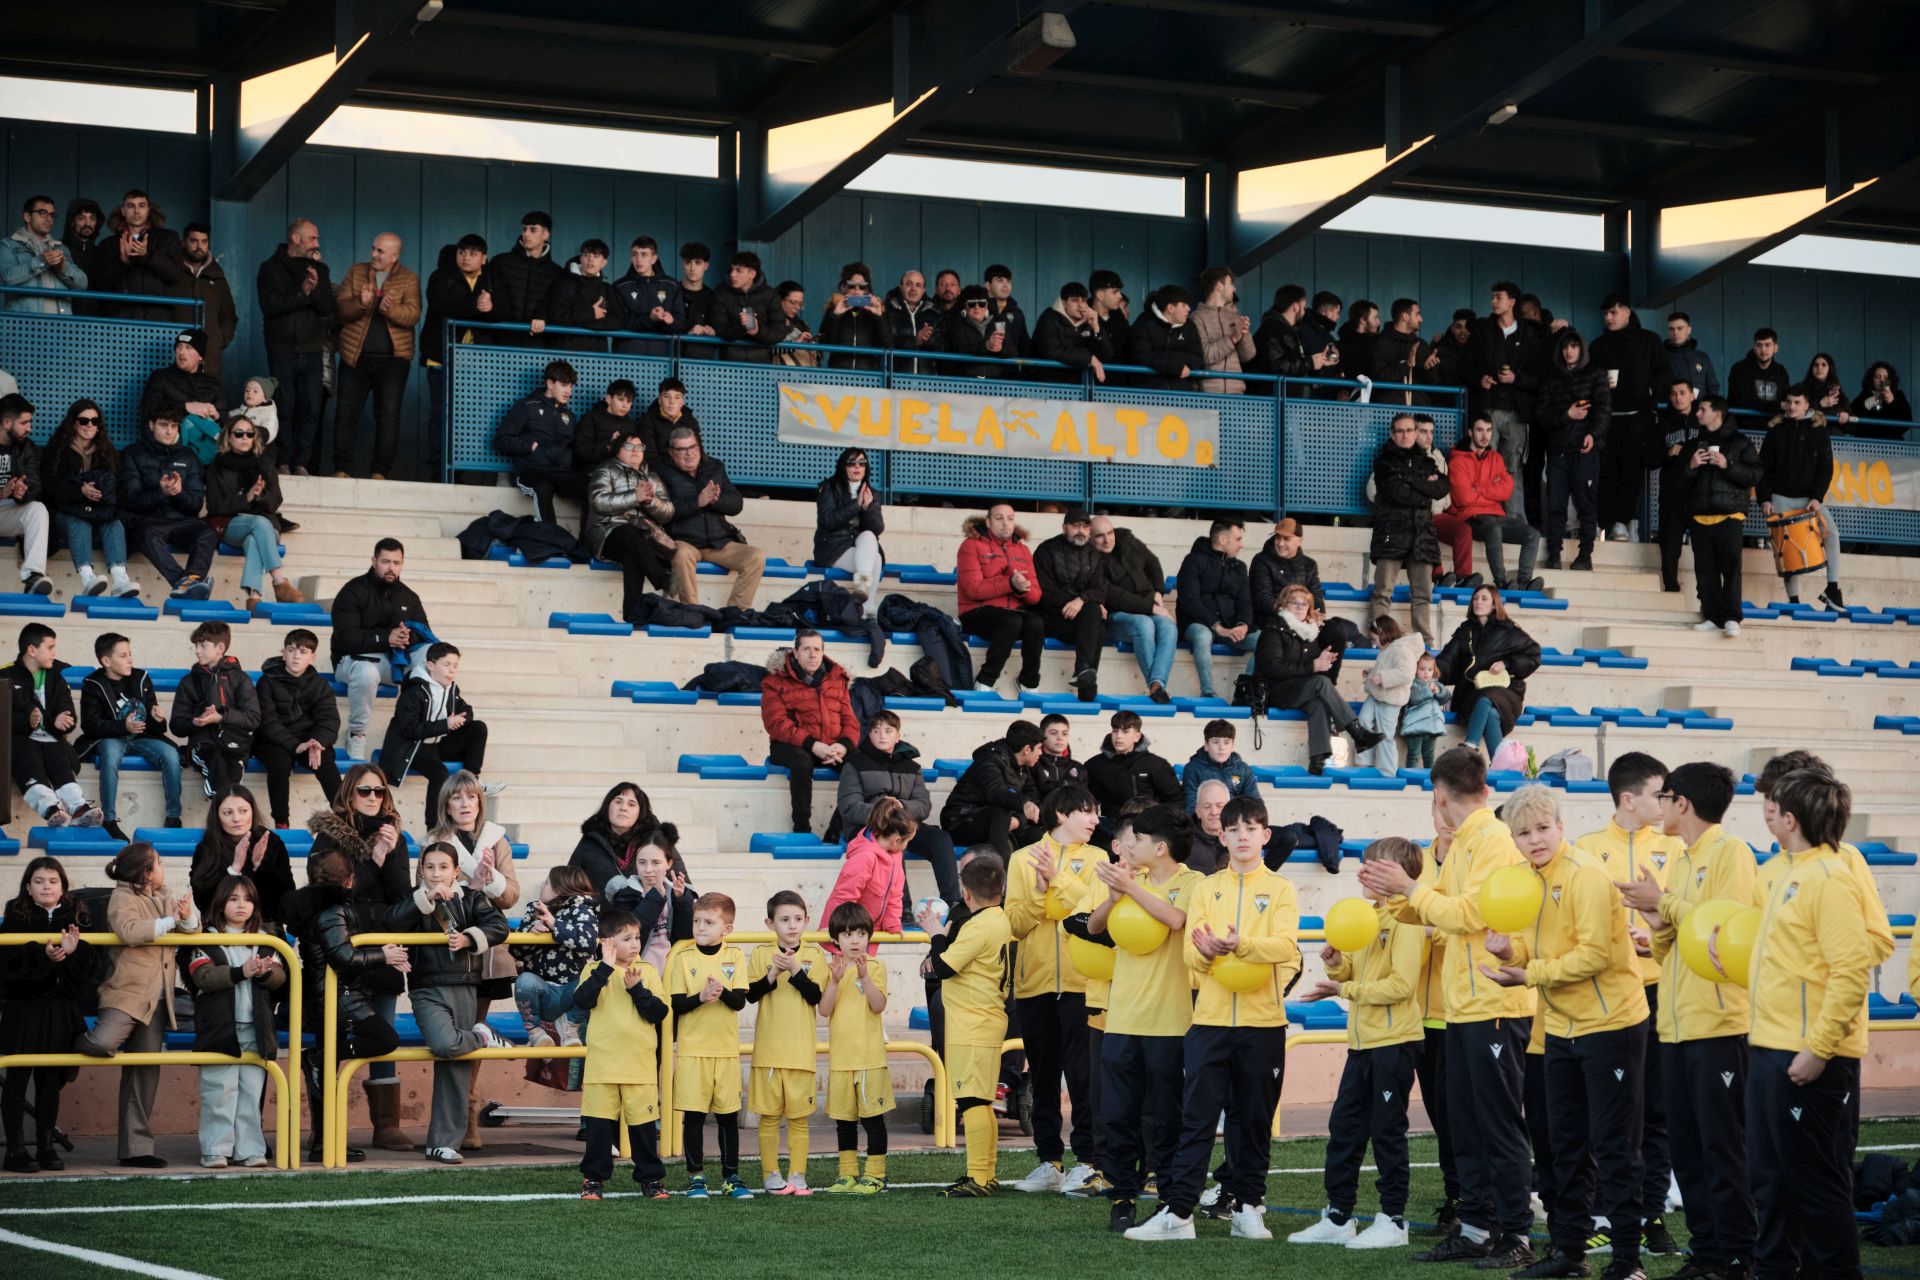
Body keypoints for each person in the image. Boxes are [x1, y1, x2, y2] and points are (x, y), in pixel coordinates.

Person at [1355, 747, 1538, 1269]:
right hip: (1464, 1006)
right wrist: (1394, 898)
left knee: (1497, 1124)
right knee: (1465, 1123)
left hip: (1495, 1003)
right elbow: (1436, 910)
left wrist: (1409, 887)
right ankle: (1477, 1226)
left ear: (1439, 796)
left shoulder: (1492, 841)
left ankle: (1516, 1234)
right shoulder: (1465, 843)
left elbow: (1469, 914)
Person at [1475, 785, 1650, 1280]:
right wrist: (1511, 957)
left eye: (1542, 829)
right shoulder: (1528, 882)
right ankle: (1570, 1255)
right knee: (1563, 1145)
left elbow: (1595, 956)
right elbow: (1540, 953)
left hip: (1612, 1024)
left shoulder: (1586, 877)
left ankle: (1627, 1262)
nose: (1534, 840)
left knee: (1615, 1146)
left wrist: (1527, 974)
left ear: (1560, 826)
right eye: (1523, 833)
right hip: (1560, 1028)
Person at [1126, 795, 1297, 1241]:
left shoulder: (1280, 889)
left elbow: (1287, 947)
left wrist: (1243, 947)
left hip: (1263, 1024)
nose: (1242, 836)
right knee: (1197, 1119)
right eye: (1233, 829)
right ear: (1221, 835)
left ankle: (1249, 1207)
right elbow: (1188, 953)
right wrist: (1205, 954)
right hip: (1210, 1023)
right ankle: (1179, 1213)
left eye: (1250, 828)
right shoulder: (1206, 887)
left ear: (1266, 836)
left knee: (1253, 1121)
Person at [1613, 761, 1756, 1279]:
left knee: (1723, 1147)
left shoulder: (1730, 852)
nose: (1658, 806)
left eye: (1665, 796)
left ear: (1683, 804)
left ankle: (1739, 1254)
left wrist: (1665, 903)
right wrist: (1657, 922)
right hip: (1675, 1025)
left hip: (1718, 1025)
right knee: (1688, 1149)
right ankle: (1708, 1252)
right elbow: (1679, 936)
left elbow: (1729, 926)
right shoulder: (1685, 858)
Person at [1745, 769, 1871, 1280]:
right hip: (1768, 1049)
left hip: (1807, 1059)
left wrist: (1818, 1049)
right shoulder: (1786, 871)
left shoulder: (1829, 879)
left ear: (1791, 818)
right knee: (1772, 1183)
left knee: (1816, 1191)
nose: (1769, 809)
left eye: (1776, 803)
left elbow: (1852, 973)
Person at [1289, 836, 1430, 1249]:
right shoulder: (1369, 917)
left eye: (1373, 866)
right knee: (1344, 1129)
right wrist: (1338, 964)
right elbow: (1360, 973)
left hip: (1395, 1042)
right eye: (1364, 864)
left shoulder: (1408, 921)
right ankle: (1338, 1216)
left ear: (1396, 875)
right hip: (1363, 1042)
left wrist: (1344, 990)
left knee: (1387, 1131)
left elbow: (1401, 986)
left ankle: (1394, 1219)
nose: (1364, 872)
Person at [1573, 751, 1683, 1258]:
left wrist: (1659, 928)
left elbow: (1686, 918)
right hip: (1608, 996)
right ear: (1627, 798)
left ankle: (1652, 1217)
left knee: (1657, 1112)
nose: (1666, 803)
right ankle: (1606, 1216)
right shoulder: (1585, 850)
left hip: (1661, 991)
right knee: (1609, 1113)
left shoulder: (1678, 848)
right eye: (1658, 794)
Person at [1091, 804, 1204, 1232]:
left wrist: (1132, 890)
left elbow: (1177, 920)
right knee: (1117, 1114)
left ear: (1159, 848)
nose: (1128, 846)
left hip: (1170, 1021)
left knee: (1165, 1117)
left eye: (1136, 840)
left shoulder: (1193, 882)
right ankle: (1121, 1197)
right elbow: (1098, 927)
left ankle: (1171, 1203)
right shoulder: (1129, 881)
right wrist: (1115, 894)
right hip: (1121, 1017)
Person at [304, 765, 413, 1150]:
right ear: (349, 794)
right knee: (331, 1035)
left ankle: (386, 1124)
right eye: (364, 791)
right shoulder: (328, 836)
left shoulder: (394, 835)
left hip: (382, 948)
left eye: (379, 791)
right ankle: (324, 1133)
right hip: (341, 951)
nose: (372, 798)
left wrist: (387, 854)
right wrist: (373, 859)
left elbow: (401, 897)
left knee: (381, 1035)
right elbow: (332, 891)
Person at [1004, 783, 1105, 1195]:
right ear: (1062, 814)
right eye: (1088, 811)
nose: (1096, 820)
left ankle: (1087, 1161)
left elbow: (1093, 914)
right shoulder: (1021, 859)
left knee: (1084, 1077)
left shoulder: (1099, 858)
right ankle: (1048, 1160)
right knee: (1043, 1078)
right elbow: (1014, 922)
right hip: (1035, 983)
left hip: (1084, 983)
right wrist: (1043, 895)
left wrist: (1057, 881)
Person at [70, 844, 198, 1167]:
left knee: (144, 1070)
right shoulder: (121, 897)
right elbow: (129, 931)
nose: (163, 866)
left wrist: (186, 915)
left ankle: (136, 1148)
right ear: (145, 870)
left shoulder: (167, 894)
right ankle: (71, 1041)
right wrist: (170, 921)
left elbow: (191, 930)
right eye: (158, 862)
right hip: (125, 994)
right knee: (102, 1042)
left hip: (158, 997)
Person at [384, 841, 511, 1164]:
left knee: (456, 1066)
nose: (436, 873)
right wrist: (426, 899)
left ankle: (442, 1142)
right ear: (421, 870)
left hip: (466, 986)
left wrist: (470, 938)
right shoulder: (414, 899)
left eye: (443, 867)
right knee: (444, 1044)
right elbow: (392, 921)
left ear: (456, 871)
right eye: (430, 867)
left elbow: (499, 926)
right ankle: (483, 1036)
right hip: (427, 987)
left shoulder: (471, 897)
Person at [284, 844, 402, 1162]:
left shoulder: (313, 907)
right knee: (384, 1039)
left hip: (330, 995)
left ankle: (325, 1141)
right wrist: (384, 955)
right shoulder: (332, 910)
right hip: (340, 996)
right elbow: (342, 957)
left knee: (327, 1071)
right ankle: (318, 1060)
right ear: (349, 880)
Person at [1, 856, 104, 1173]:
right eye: (39, 881)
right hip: (24, 1010)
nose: (46, 887)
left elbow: (91, 968)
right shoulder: (14, 915)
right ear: (28, 887)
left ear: (63, 886)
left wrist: (73, 954)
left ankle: (46, 1146)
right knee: (17, 1079)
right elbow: (7, 967)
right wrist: (42, 955)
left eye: (53, 881)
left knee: (50, 1080)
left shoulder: (78, 915)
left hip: (60, 1010)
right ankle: (16, 1150)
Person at [922, 852, 1013, 1197]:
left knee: (973, 1101)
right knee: (982, 1101)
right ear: (1001, 890)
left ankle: (979, 1177)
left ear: (967, 893)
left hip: (971, 1023)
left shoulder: (978, 926)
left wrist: (935, 933)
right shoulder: (1001, 919)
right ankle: (984, 1175)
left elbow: (944, 966)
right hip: (987, 1019)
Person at [188, 875, 287, 1169]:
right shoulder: (205, 937)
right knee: (218, 1092)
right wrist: (240, 971)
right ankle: (215, 1150)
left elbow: (280, 977)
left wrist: (264, 973)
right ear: (220, 904)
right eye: (233, 899)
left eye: (247, 899)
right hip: (220, 1028)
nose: (241, 905)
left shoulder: (267, 939)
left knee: (250, 1093)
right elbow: (202, 976)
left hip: (256, 1029)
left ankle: (250, 1149)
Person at [573, 907, 670, 1201]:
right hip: (602, 1067)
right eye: (627, 938)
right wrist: (605, 968)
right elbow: (581, 1000)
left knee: (643, 1130)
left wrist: (637, 989)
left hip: (639, 1067)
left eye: (637, 937)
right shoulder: (593, 971)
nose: (635, 944)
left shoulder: (648, 972)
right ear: (607, 942)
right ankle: (594, 1180)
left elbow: (660, 1012)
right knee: (599, 1130)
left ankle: (651, 1180)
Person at [742, 890, 827, 1195]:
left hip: (801, 1053)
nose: (792, 925)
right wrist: (773, 973)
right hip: (768, 1052)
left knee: (799, 1119)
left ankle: (798, 1174)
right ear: (770, 922)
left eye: (798, 919)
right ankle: (770, 1175)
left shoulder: (815, 955)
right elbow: (750, 994)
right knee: (769, 1118)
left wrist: (793, 970)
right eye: (784, 919)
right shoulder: (762, 953)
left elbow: (815, 996)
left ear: (807, 920)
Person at [836, 710, 961, 912]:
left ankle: (954, 904)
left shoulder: (911, 767)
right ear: (869, 735)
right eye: (876, 731)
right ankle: (902, 910)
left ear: (898, 736)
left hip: (905, 823)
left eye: (888, 730)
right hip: (868, 827)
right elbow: (849, 807)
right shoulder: (854, 764)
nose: (882, 735)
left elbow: (923, 805)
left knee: (940, 839)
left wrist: (902, 807)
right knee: (891, 840)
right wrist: (884, 811)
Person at [671, 892, 751, 1197]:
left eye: (708, 922)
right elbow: (676, 1004)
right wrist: (701, 998)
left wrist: (723, 991)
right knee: (693, 1116)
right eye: (696, 921)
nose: (700, 927)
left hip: (725, 1051)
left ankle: (731, 1176)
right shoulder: (682, 958)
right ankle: (696, 1177)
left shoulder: (734, 957)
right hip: (692, 1051)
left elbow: (739, 1002)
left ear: (726, 928)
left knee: (728, 1116)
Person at [1255, 584, 1383, 774]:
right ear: (1283, 604)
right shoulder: (1273, 629)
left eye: (1304, 604)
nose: (1299, 607)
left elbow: (1308, 667)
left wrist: (1321, 659)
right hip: (1276, 690)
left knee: (1318, 703)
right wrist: (1312, 665)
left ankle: (1318, 760)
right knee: (1322, 683)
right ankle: (1356, 732)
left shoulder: (1310, 631)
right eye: (1294, 603)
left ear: (1309, 607)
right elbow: (1272, 668)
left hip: (1299, 688)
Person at [330, 539, 432, 759]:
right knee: (366, 672)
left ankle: (416, 732)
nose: (391, 568)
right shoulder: (352, 591)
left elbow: (424, 634)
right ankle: (357, 734)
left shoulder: (409, 597)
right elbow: (346, 638)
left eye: (396, 562)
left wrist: (407, 636)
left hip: (392, 663)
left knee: (432, 659)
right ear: (374, 561)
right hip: (351, 661)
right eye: (386, 561)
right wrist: (388, 638)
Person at [331, 232, 420, 479]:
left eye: (380, 251)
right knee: (346, 415)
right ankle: (341, 469)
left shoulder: (408, 278)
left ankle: (379, 473)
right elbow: (341, 309)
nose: (373, 254)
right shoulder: (355, 272)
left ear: (394, 256)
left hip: (393, 362)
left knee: (388, 418)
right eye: (373, 248)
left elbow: (413, 314)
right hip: (355, 358)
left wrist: (391, 309)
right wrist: (360, 302)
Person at [78, 632, 182, 839]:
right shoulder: (93, 684)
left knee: (171, 754)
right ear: (106, 661)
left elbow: (157, 728)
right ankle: (108, 819)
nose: (130, 660)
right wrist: (122, 726)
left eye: (130, 654)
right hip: (112, 739)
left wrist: (157, 718)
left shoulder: (141, 678)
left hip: (142, 738)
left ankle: (174, 817)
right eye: (123, 655)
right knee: (110, 754)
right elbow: (90, 725)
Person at [819, 900, 892, 1191]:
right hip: (841, 1059)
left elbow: (878, 1005)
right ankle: (847, 1174)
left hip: (869, 1058)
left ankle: (876, 1175)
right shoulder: (832, 969)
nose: (855, 940)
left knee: (873, 1119)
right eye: (848, 934)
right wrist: (835, 981)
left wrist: (864, 978)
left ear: (868, 936)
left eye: (861, 934)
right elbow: (824, 1010)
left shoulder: (875, 967)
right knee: (844, 1122)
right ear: (836, 939)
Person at [758, 630, 856, 837]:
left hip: (832, 747)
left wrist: (843, 745)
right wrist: (812, 744)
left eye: (817, 649)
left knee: (862, 766)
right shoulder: (775, 681)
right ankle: (801, 829)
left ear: (823, 653)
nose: (812, 654)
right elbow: (776, 723)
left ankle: (835, 832)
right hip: (791, 746)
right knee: (802, 763)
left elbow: (850, 720)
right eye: (806, 649)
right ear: (795, 652)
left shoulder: (838, 679)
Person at [381, 642, 492, 824]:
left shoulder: (451, 689)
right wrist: (446, 724)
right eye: (446, 665)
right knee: (439, 773)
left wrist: (461, 719)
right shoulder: (414, 691)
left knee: (478, 728)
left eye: (455, 666)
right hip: (415, 748)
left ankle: (471, 781)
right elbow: (409, 729)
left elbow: (467, 710)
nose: (452, 670)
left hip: (438, 743)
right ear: (431, 665)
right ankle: (433, 827)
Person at [257, 220, 335, 474]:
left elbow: (327, 308)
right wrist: (303, 294)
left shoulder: (320, 269)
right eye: (313, 238)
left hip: (312, 349)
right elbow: (271, 306)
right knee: (284, 406)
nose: (317, 244)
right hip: (281, 349)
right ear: (295, 238)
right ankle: (283, 461)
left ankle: (302, 462)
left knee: (311, 408)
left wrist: (314, 290)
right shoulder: (270, 268)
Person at [1465, 282, 1549, 517]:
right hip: (1487, 409)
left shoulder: (1530, 334)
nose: (1493, 301)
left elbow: (1540, 378)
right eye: (1492, 297)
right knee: (1483, 465)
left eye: (1498, 297)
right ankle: (1483, 516)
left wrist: (1516, 378)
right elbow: (1466, 368)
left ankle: (1514, 521)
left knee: (1512, 469)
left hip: (1517, 412)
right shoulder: (1482, 331)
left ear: (1512, 302)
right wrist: (1479, 379)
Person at [658, 427, 766, 609]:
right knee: (681, 554)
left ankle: (736, 612)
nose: (689, 454)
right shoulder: (662, 471)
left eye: (693, 447)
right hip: (685, 540)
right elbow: (662, 511)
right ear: (671, 453)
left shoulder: (714, 467)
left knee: (756, 556)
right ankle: (692, 610)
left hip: (718, 541)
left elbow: (736, 504)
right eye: (682, 450)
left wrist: (716, 500)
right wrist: (698, 502)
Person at [1589, 296, 1668, 543]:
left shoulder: (1649, 340)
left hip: (1638, 418)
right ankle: (1603, 523)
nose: (1609, 318)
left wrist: (1649, 391)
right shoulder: (1598, 345)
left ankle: (1622, 523)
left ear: (1627, 312)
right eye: (1606, 314)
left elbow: (1665, 373)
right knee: (1605, 472)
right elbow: (1588, 377)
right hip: (1606, 419)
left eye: (1613, 312)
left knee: (1631, 472)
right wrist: (1601, 385)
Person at [120, 402, 218, 601]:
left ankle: (190, 580)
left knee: (207, 531)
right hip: (149, 521)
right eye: (164, 425)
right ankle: (184, 583)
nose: (169, 431)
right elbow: (130, 500)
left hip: (181, 522)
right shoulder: (132, 453)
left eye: (174, 426)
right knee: (145, 532)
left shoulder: (188, 456)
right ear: (151, 425)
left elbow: (195, 505)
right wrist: (161, 493)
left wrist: (179, 493)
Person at [1761, 385, 1846, 610]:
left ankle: (1832, 588)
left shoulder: (1819, 430)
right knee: (1787, 551)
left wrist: (1817, 497)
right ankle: (1794, 601)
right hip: (1781, 496)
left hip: (1810, 499)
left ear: (1807, 404)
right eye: (1789, 402)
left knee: (1832, 533)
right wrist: (1764, 499)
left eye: (1797, 402)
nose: (1792, 406)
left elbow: (1825, 469)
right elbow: (1763, 469)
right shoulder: (1776, 431)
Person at [7, 623, 101, 826]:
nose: (54, 653)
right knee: (29, 753)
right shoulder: (6, 677)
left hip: (52, 741)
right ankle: (50, 809)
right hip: (21, 743)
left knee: (57, 752)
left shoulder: (57, 677)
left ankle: (78, 807)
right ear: (32, 650)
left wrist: (61, 723)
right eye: (49, 647)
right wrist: (26, 721)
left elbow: (70, 716)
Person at [1368, 413, 1450, 644]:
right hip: (1390, 534)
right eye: (1400, 431)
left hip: (1421, 534)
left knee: (1423, 594)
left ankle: (1425, 642)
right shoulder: (1383, 462)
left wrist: (1410, 480)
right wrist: (1424, 491)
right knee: (1383, 591)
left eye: (1409, 430)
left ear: (1416, 433)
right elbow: (1396, 492)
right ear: (1393, 435)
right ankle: (1378, 638)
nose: (1405, 435)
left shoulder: (1428, 461)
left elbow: (1442, 487)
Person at [43, 399, 138, 598]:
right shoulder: (58, 449)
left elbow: (119, 487)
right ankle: (87, 578)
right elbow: (51, 487)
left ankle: (120, 578)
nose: (89, 426)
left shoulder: (106, 450)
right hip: (66, 514)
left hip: (98, 512)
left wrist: (102, 494)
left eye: (94, 421)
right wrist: (80, 491)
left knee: (114, 523)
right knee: (79, 523)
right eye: (84, 420)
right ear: (73, 422)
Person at [1684, 396, 1762, 637]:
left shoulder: (1740, 442)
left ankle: (1731, 618)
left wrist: (1727, 465)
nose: (1697, 413)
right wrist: (1691, 466)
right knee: (1705, 570)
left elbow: (1755, 474)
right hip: (1700, 515)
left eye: (1702, 409)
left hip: (1730, 515)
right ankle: (1711, 615)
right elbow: (1680, 480)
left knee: (1731, 568)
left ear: (1717, 413)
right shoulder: (1695, 442)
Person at [251, 629, 343, 829]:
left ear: (312, 657)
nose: (296, 656)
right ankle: (281, 822)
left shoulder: (320, 685)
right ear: (283, 653)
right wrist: (294, 745)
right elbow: (267, 722)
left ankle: (346, 818)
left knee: (325, 760)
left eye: (302, 651)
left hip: (309, 739)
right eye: (291, 650)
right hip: (274, 741)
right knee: (279, 763)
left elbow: (328, 719)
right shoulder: (267, 682)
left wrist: (318, 742)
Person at [205, 416, 300, 609]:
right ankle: (279, 581)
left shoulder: (265, 465)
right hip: (231, 523)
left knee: (254, 538)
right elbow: (214, 505)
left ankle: (254, 597)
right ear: (228, 438)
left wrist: (259, 496)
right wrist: (245, 498)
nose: (245, 437)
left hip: (266, 523)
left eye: (250, 433)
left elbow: (275, 502)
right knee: (258, 524)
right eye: (239, 433)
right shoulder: (216, 467)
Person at [1435, 584, 1540, 758]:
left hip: (1507, 692)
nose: (1478, 602)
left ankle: (1470, 744)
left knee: (1488, 698)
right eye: (1475, 598)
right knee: (1490, 711)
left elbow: (1534, 655)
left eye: (1484, 599)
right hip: (1471, 693)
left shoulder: (1509, 630)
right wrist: (1432, 671)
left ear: (1494, 604)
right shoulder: (1465, 631)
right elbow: (1447, 659)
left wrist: (1507, 663)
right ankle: (1500, 763)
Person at [1536, 329, 1611, 571]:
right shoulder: (1551, 379)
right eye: (1565, 347)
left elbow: (1603, 411)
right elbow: (1541, 415)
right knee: (1555, 505)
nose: (1569, 351)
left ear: (1581, 349)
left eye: (1573, 346)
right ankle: (1554, 554)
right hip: (1557, 451)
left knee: (1586, 504)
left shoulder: (1595, 375)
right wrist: (1567, 414)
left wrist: (1593, 434)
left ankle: (1585, 555)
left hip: (1585, 450)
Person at [421, 235, 493, 480]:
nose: (466, 257)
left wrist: (489, 307)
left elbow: (499, 311)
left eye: (473, 253)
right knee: (441, 416)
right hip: (441, 358)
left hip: (475, 363)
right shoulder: (441, 276)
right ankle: (438, 471)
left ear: (484, 258)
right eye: (462, 252)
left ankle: (459, 471)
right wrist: (478, 306)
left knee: (467, 417)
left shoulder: (490, 280)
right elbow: (444, 306)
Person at [584, 433, 676, 621]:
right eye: (629, 446)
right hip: (607, 532)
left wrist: (650, 501)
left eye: (639, 447)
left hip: (640, 537)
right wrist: (635, 496)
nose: (635, 451)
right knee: (628, 533)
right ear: (618, 450)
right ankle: (661, 577)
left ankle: (633, 617)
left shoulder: (652, 478)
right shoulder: (605, 469)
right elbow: (598, 501)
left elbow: (668, 513)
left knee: (633, 555)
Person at [164, 620, 257, 797]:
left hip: (235, 743)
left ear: (220, 647)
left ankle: (224, 810)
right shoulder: (189, 681)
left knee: (233, 772)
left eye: (202, 645)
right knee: (217, 764)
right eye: (196, 645)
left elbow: (253, 718)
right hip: (203, 742)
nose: (197, 650)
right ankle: (224, 807)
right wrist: (196, 721)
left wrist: (221, 717)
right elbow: (176, 725)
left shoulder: (240, 679)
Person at [1450, 414, 1543, 592]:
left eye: (1489, 430)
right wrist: (1491, 491)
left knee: (1532, 533)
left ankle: (1523, 583)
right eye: (1479, 430)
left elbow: (1506, 490)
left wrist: (1478, 489)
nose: (1485, 436)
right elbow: (1463, 498)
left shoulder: (1496, 458)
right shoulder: (1457, 461)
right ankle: (1501, 582)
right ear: (1470, 432)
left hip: (1496, 515)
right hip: (1470, 516)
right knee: (1493, 528)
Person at [508, 864, 597, 1049]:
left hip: (572, 991)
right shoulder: (535, 910)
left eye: (547, 882)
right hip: (543, 991)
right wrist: (531, 933)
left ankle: (570, 1027)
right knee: (524, 980)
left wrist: (555, 925)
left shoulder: (583, 910)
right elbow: (515, 951)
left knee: (593, 978)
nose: (542, 885)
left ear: (560, 888)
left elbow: (588, 942)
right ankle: (534, 1031)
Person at [957, 504, 1045, 690]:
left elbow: (1036, 596)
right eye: (999, 518)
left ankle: (1028, 682)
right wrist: (1009, 583)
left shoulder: (1023, 551)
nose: (1005, 523)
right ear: (988, 522)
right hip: (976, 613)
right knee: (1012, 620)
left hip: (1012, 615)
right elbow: (972, 589)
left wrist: (1022, 589)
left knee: (1035, 622)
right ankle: (984, 681)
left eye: (1010, 518)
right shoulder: (971, 545)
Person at [1090, 515, 1174, 703]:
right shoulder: (1090, 559)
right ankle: (1156, 686)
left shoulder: (1126, 539)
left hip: (1148, 606)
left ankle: (1157, 684)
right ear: (1090, 538)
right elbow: (1114, 596)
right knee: (1144, 624)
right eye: (1100, 536)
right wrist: (1151, 607)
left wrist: (1158, 591)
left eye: (1110, 533)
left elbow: (1152, 562)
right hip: (1117, 616)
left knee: (1168, 625)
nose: (1107, 539)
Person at [189, 786, 294, 928]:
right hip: (220, 931)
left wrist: (259, 865)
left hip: (266, 930)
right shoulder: (206, 848)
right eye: (227, 813)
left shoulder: (271, 842)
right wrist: (234, 868)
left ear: (252, 811)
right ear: (217, 817)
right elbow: (202, 901)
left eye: (243, 811)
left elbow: (285, 898)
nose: (237, 819)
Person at [494, 359, 582, 528]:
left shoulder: (569, 416)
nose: (568, 391)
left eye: (571, 386)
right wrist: (529, 445)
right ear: (550, 383)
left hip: (560, 472)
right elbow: (501, 440)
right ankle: (550, 539)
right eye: (564, 385)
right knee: (543, 488)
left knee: (592, 489)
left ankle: (589, 546)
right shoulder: (527, 406)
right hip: (532, 470)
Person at [1177, 517, 1256, 701]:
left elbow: (1246, 602)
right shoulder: (1193, 561)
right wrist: (1217, 626)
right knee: (1203, 635)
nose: (1241, 545)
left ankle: (1245, 692)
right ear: (1222, 539)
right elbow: (1189, 601)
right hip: (1196, 623)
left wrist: (1243, 625)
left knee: (1265, 640)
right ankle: (1208, 692)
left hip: (1230, 627)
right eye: (1238, 539)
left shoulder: (1239, 567)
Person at [1034, 509, 1109, 701]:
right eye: (1076, 526)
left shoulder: (1094, 554)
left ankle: (1083, 671)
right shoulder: (1046, 550)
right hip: (1050, 617)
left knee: (1095, 619)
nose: (1081, 531)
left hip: (1079, 618)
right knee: (1095, 622)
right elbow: (1045, 593)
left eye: (1085, 526)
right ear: (1064, 527)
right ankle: (1087, 684)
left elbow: (1100, 590)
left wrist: (1081, 601)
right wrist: (1079, 601)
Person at [940, 720, 1044, 857]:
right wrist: (1023, 804)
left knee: (1041, 837)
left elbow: (1031, 801)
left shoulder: (1025, 768)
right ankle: (1000, 876)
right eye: (1039, 748)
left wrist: (1018, 821)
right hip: (960, 822)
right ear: (1027, 749)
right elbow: (996, 793)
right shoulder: (989, 760)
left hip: (1000, 825)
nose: (1041, 753)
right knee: (1000, 813)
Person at [1087, 711, 1182, 840]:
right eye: (1115, 731)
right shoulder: (1095, 765)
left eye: (1125, 731)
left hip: (1150, 830)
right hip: (1112, 831)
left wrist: (1162, 824)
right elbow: (1088, 801)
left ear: (1137, 736)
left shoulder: (1156, 765)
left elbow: (1175, 800)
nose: (1118, 736)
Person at [94, 190, 185, 320]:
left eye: (142, 205)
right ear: (123, 211)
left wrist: (147, 256)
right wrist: (122, 262)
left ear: (148, 210)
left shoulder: (168, 238)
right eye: (131, 206)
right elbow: (100, 284)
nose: (137, 211)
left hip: (158, 319)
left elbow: (176, 275)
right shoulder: (107, 244)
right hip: (119, 321)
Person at [138, 328, 226, 461]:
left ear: (200, 356)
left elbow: (225, 419)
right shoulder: (161, 376)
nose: (181, 352)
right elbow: (148, 409)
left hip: (204, 451)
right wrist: (186, 407)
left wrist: (217, 415)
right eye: (178, 346)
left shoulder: (212, 383)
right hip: (170, 449)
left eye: (188, 347)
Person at [815, 447, 884, 612]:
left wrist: (868, 508)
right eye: (852, 463)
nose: (857, 467)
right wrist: (856, 505)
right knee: (876, 560)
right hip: (833, 548)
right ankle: (868, 610)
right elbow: (828, 521)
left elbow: (877, 529)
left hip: (860, 548)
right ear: (843, 467)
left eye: (861, 463)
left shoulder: (871, 493)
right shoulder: (828, 488)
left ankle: (862, 586)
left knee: (870, 539)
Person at [0, 393, 56, 595]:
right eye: (24, 423)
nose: (29, 428)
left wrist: (21, 492)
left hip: (7, 510)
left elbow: (34, 484)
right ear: (7, 422)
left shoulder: (27, 447)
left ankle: (33, 576)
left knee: (38, 509)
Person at [1354, 614, 1424, 774]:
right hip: (1376, 694)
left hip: (1391, 699)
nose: (1374, 642)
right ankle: (1364, 761)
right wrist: (1372, 672)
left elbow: (1405, 673)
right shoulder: (1389, 649)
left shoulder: (1402, 649)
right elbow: (1388, 667)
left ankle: (1387, 771)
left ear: (1384, 634)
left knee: (1385, 734)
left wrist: (1382, 677)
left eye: (1375, 638)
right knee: (1363, 720)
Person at [1648, 377, 1698, 593]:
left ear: (1692, 395)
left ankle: (1706, 589)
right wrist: (1668, 454)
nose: (1678, 398)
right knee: (1670, 545)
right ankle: (1670, 586)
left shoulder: (1703, 422)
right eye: (1674, 394)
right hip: (1672, 493)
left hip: (1699, 493)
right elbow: (1649, 460)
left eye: (1682, 393)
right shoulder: (1663, 425)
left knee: (1704, 545)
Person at [174, 223, 237, 381]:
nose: (199, 246)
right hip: (176, 352)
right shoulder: (172, 271)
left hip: (209, 356)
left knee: (209, 401)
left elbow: (228, 314)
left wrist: (218, 341)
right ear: (184, 242)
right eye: (194, 241)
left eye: (204, 241)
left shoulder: (217, 275)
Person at [3, 194, 87, 312]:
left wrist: (63, 268)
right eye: (42, 213)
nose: (49, 219)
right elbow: (6, 279)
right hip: (24, 326)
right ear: (27, 216)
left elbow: (82, 284)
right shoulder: (8, 245)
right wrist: (42, 261)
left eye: (52, 215)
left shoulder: (61, 248)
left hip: (60, 325)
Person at [487, 212, 563, 343]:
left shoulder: (556, 272)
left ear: (545, 234)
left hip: (537, 343)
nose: (526, 234)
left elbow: (556, 305)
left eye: (533, 230)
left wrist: (543, 317)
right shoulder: (500, 262)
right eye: (524, 229)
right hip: (499, 340)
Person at [535, 239, 621, 353]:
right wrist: (591, 313)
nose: (590, 260)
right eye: (586, 255)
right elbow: (557, 316)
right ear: (581, 259)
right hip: (564, 352)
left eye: (596, 256)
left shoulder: (607, 289)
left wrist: (582, 322)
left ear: (604, 262)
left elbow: (617, 320)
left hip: (596, 357)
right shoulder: (562, 284)